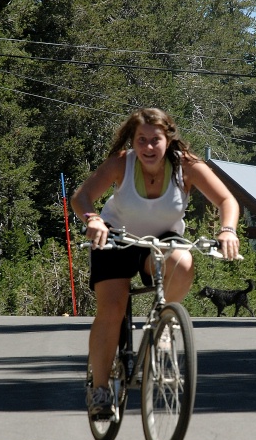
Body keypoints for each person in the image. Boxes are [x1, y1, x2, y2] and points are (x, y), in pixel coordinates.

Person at [71, 107, 240, 419]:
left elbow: (227, 200)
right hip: (116, 238)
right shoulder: (122, 163)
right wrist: (92, 219)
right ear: (133, 142)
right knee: (112, 309)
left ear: (168, 139)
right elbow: (81, 197)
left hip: (161, 241)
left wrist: (227, 229)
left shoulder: (186, 166)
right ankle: (99, 389)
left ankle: (162, 322)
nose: (148, 148)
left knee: (184, 262)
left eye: (155, 140)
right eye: (141, 140)